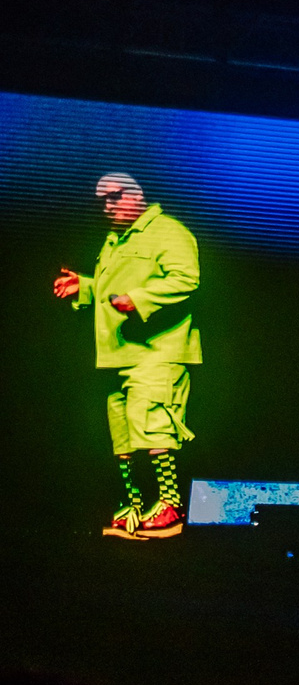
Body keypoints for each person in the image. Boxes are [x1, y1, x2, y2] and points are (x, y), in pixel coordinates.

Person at [51, 173, 202, 540]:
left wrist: (139, 299)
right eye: (102, 200)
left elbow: (186, 278)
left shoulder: (168, 231)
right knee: (123, 438)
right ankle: (133, 506)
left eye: (116, 196)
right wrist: (85, 286)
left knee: (153, 429)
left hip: (156, 352)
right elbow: (112, 289)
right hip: (117, 356)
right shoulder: (115, 239)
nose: (108, 205)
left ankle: (170, 506)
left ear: (137, 194)